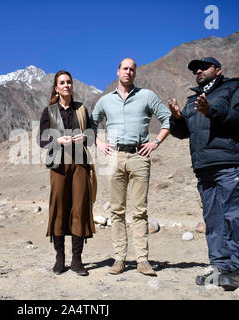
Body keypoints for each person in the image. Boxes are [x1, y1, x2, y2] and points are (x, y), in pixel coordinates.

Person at [168, 57, 239, 291]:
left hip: (230, 163)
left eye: (203, 67)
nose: (198, 71)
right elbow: (184, 132)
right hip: (204, 167)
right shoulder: (192, 100)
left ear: (218, 69)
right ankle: (220, 267)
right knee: (214, 220)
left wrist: (213, 110)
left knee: (236, 217)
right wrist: (177, 118)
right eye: (195, 69)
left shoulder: (236, 88)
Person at [90, 58, 171, 276]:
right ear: (117, 72)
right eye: (124, 68)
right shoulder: (105, 100)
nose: (128, 72)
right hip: (115, 156)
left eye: (132, 69)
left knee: (140, 210)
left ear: (135, 73)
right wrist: (99, 143)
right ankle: (119, 259)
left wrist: (155, 142)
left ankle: (143, 260)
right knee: (117, 210)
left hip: (139, 157)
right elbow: (91, 123)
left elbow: (167, 119)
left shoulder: (147, 96)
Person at [37, 70, 95, 276]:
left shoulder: (81, 110)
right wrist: (57, 140)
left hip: (79, 164)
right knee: (59, 208)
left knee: (79, 207)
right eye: (61, 83)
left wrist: (85, 138)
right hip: (58, 166)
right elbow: (41, 139)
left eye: (69, 82)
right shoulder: (49, 111)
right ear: (56, 88)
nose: (66, 85)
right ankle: (60, 258)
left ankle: (77, 260)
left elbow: (92, 133)